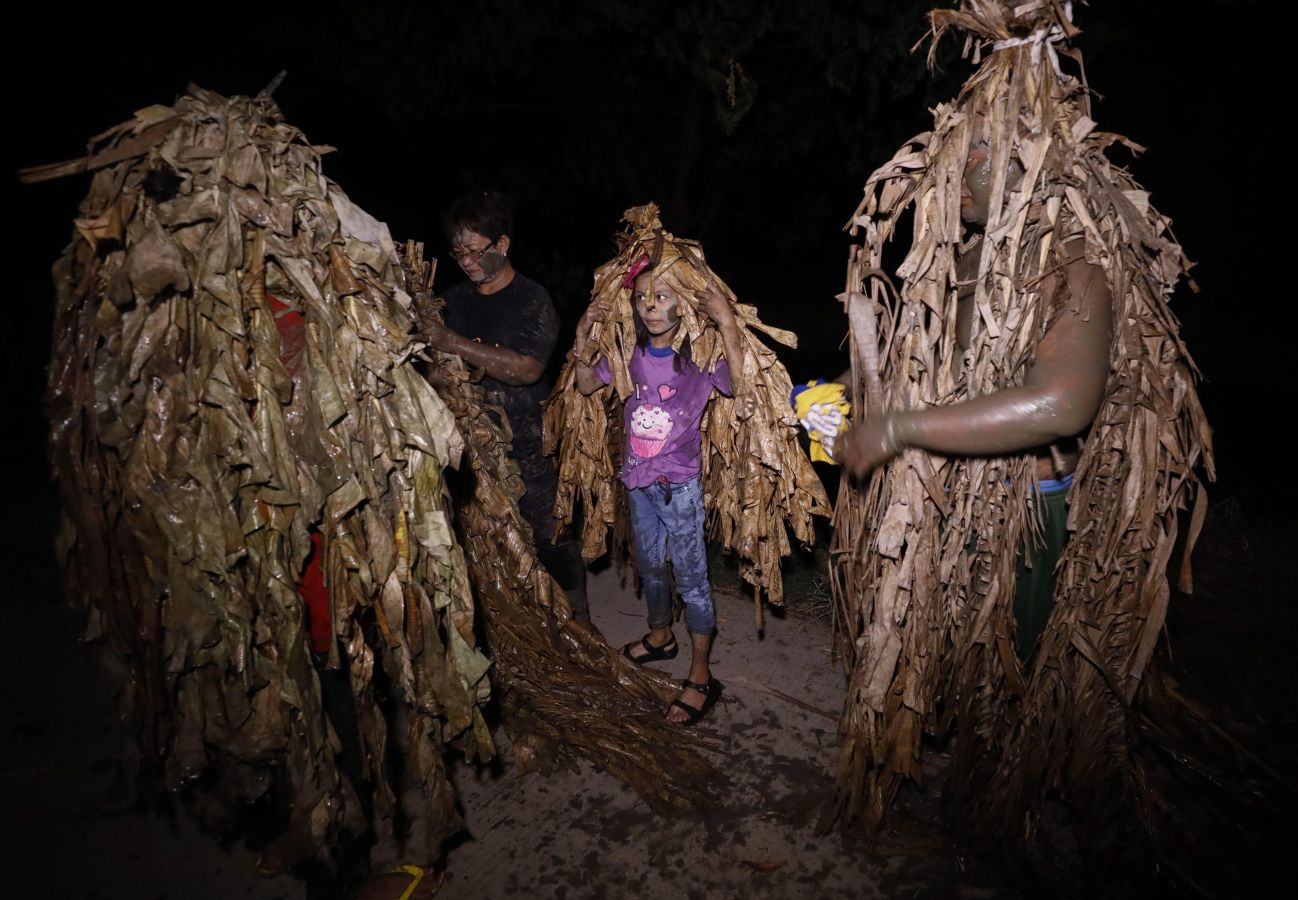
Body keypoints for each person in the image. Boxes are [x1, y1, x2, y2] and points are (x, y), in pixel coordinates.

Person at [572, 247, 744, 724]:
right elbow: (586, 384)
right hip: (638, 483)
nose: (650, 305)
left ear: (683, 304)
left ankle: (701, 674)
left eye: (663, 295)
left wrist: (725, 320)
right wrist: (583, 333)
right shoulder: (627, 358)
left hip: (680, 489)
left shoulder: (702, 363)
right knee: (650, 569)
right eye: (644, 296)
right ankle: (660, 636)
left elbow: (741, 383)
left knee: (691, 582)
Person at [417, 190, 590, 625]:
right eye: (458, 254)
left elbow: (527, 369)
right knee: (490, 544)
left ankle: (581, 627)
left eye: (475, 251)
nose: (467, 262)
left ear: (503, 244)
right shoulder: (452, 301)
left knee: (552, 538)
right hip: (474, 448)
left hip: (531, 446)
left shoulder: (533, 299)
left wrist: (450, 342)